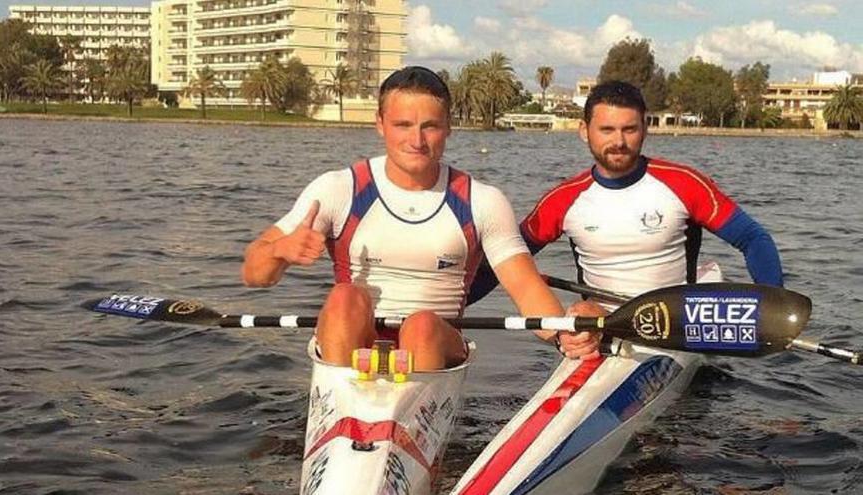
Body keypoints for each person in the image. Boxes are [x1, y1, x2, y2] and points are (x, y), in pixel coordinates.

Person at [241, 66, 582, 370]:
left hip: (436, 343)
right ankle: (347, 408)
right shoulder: (337, 188)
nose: (416, 141)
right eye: (402, 125)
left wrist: (566, 335)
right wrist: (279, 251)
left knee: (421, 326)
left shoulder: (481, 200)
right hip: (353, 340)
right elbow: (254, 276)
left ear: (448, 126)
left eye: (430, 126)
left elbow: (524, 288)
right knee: (344, 298)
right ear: (380, 124)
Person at [468, 80, 783, 359]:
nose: (618, 141)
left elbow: (754, 239)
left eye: (629, 129)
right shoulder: (562, 199)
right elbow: (501, 264)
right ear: (584, 131)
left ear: (644, 129)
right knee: (580, 313)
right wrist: (450, 310)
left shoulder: (684, 183)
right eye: (606, 129)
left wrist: (773, 309)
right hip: (601, 321)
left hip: (673, 322)